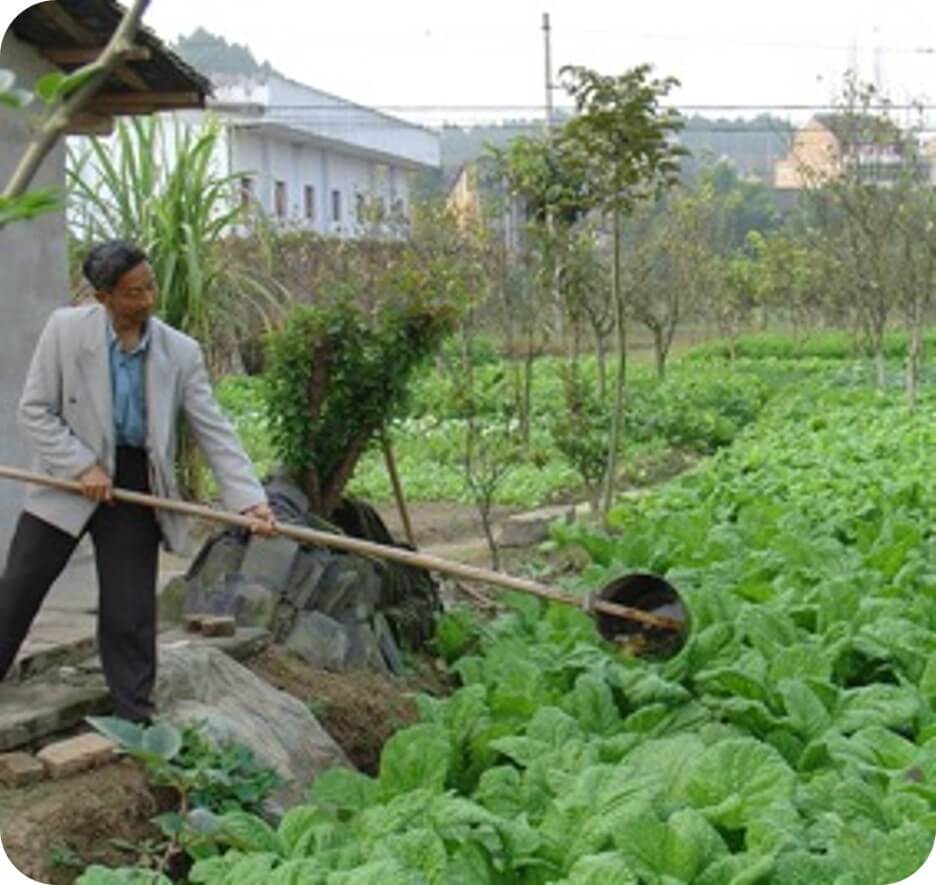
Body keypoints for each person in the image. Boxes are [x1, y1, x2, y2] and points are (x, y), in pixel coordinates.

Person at [0, 240, 276, 723]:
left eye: (150, 287)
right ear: (103, 296)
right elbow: (35, 411)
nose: (146, 300)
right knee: (20, 587)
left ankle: (135, 720)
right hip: (67, 478)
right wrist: (81, 466)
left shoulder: (179, 351)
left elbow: (213, 429)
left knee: (130, 610)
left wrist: (249, 502)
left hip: (135, 480)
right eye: (133, 292)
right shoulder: (66, 332)